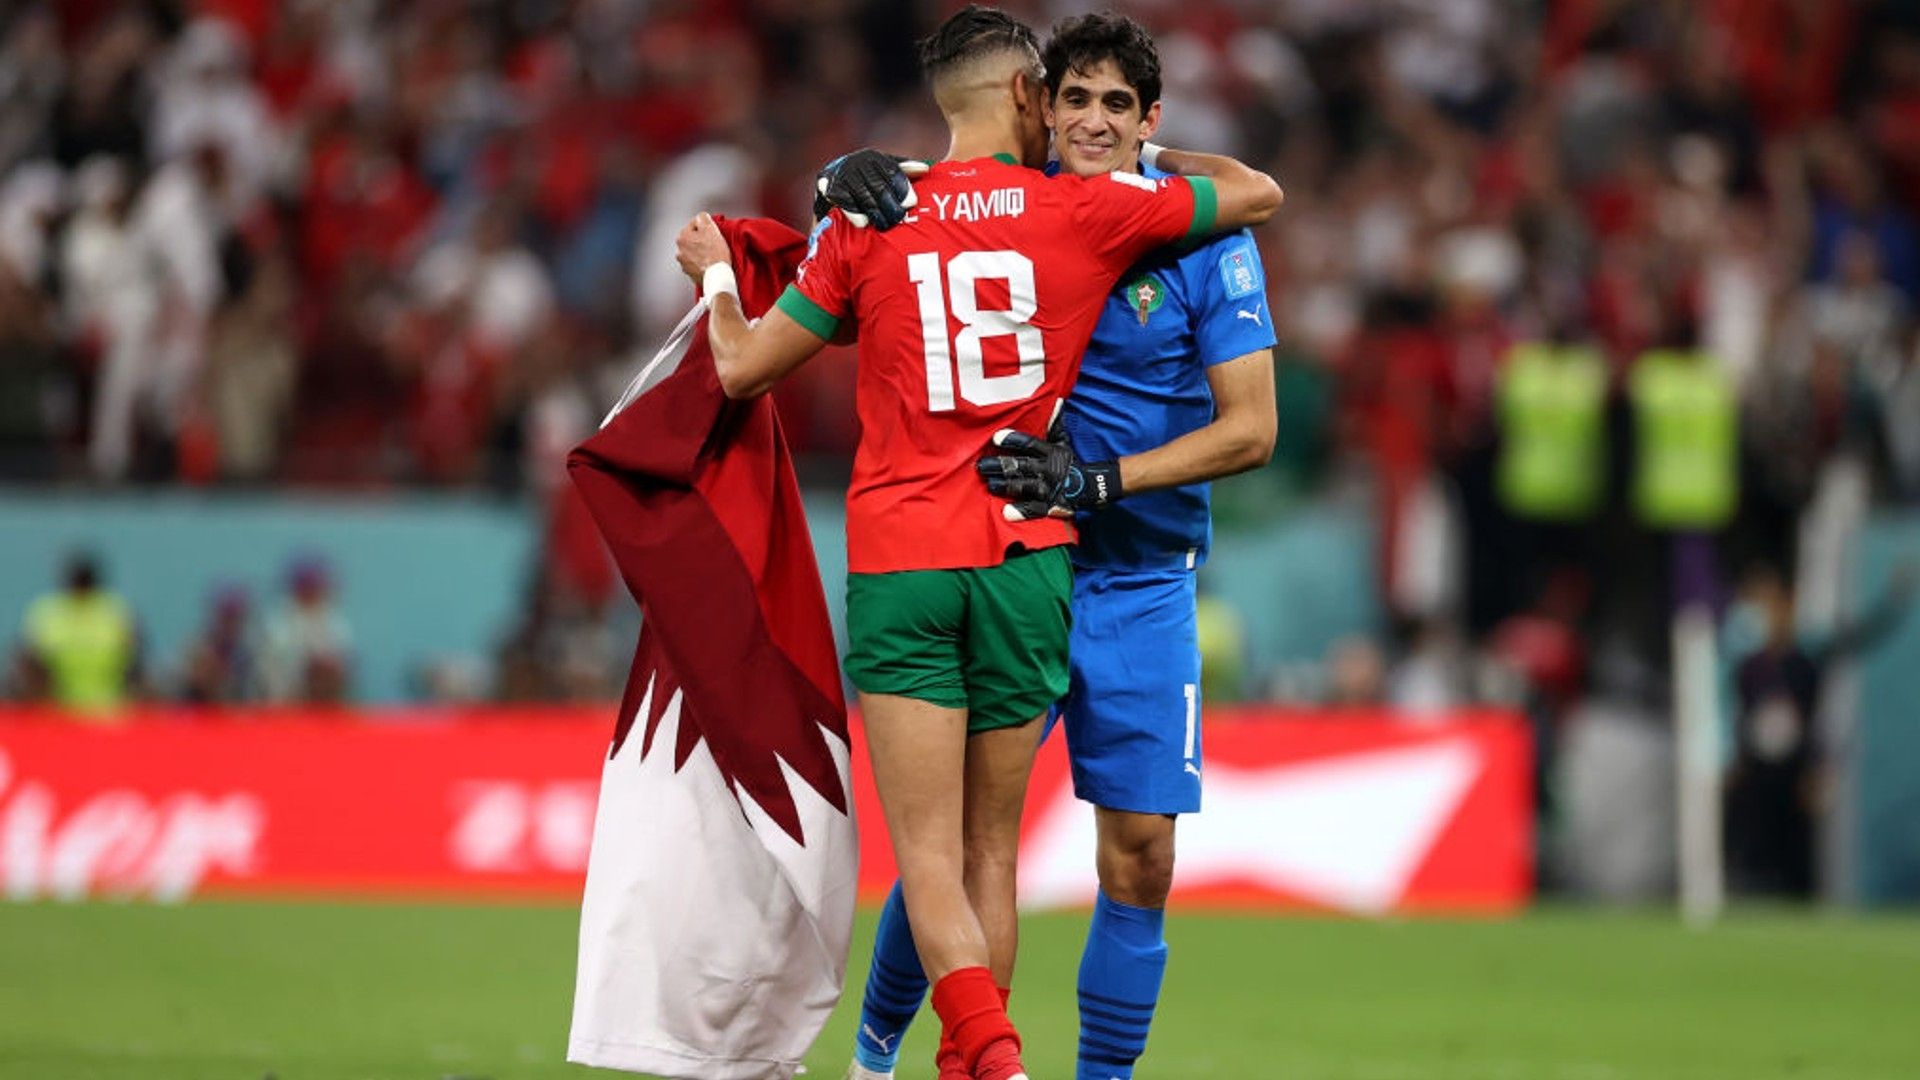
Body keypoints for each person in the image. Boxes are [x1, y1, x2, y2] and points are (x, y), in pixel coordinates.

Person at [671, 8, 1280, 1078]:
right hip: (1030, 558)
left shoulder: (1182, 234)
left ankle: (1040, 1071)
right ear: (1036, 103)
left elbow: (1252, 425)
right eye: (1074, 98)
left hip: (1120, 574)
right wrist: (845, 171)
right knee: (960, 851)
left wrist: (1101, 479)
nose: (1090, 121)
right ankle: (880, 1050)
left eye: (1115, 106)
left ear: (1150, 122)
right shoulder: (1062, 214)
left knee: (1128, 857)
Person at [14, 550, 142, 715]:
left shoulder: (116, 612)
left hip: (110, 712)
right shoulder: (48, 612)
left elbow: (135, 663)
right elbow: (28, 661)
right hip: (55, 711)